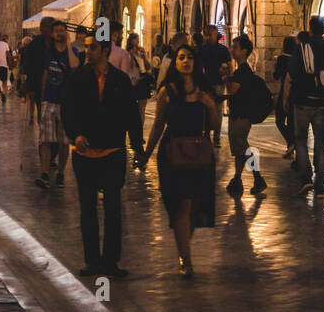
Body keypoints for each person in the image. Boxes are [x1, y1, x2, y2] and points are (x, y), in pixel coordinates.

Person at [61, 33, 144, 279]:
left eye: (93, 47)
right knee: (87, 210)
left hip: (112, 152)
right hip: (85, 154)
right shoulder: (77, 78)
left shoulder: (119, 80)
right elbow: (68, 111)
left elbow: (131, 116)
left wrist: (138, 148)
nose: (88, 51)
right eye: (87, 47)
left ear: (106, 51)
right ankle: (92, 261)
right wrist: (75, 135)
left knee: (113, 209)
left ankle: (110, 262)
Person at [143, 43, 219, 277]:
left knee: (195, 206)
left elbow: (215, 128)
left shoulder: (204, 91)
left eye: (189, 57)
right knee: (183, 204)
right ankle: (186, 258)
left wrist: (211, 107)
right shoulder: (167, 91)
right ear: (175, 63)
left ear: (195, 62)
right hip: (173, 153)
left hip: (199, 154)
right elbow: (158, 125)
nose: (186, 61)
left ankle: (183, 248)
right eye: (181, 57)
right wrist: (146, 153)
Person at [283, 19, 324, 197]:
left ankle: (306, 179)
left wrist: (286, 97)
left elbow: (291, 74)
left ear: (310, 29)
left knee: (301, 141)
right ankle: (320, 185)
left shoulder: (302, 48)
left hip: (302, 101)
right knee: (321, 143)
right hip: (323, 103)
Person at [35, 21, 78, 189]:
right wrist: (42, 97)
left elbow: (74, 65)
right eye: (57, 31)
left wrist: (68, 44)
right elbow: (45, 73)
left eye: (62, 31)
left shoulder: (71, 51)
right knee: (45, 139)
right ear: (52, 34)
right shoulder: (48, 52)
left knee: (64, 141)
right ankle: (44, 173)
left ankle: (60, 172)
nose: (59, 33)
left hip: (65, 101)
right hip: (49, 99)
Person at [224, 34, 268, 198]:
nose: (232, 50)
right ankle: (237, 178)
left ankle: (257, 178)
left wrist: (226, 76)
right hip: (239, 113)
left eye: (235, 47)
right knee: (239, 149)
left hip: (241, 115)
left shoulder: (242, 71)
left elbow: (232, 90)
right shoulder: (241, 70)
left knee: (242, 148)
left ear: (244, 51)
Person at [197, 25, 230, 147]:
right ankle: (206, 135)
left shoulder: (223, 49)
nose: (209, 37)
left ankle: (216, 137)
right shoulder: (202, 49)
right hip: (205, 84)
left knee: (218, 111)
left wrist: (225, 71)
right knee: (205, 110)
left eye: (211, 34)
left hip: (218, 83)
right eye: (207, 34)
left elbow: (228, 64)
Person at [23, 19, 54, 124]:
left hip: (55, 83)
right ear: (41, 29)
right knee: (41, 110)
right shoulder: (34, 44)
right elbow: (29, 66)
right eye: (47, 26)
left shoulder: (57, 43)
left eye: (51, 26)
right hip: (38, 83)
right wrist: (30, 87)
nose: (49, 29)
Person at [125, 32, 153, 140]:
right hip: (134, 81)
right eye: (136, 39)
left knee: (142, 108)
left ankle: (139, 134)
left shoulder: (141, 51)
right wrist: (132, 55)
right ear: (131, 40)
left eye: (138, 39)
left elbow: (147, 66)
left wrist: (144, 56)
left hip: (143, 79)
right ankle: (133, 132)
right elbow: (129, 67)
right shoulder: (128, 53)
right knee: (132, 108)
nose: (137, 41)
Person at [274, 36, 297, 159]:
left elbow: (276, 76)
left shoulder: (282, 59)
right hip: (295, 93)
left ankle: (291, 143)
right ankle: (291, 145)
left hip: (285, 91)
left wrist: (276, 64)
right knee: (292, 122)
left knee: (279, 120)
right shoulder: (296, 59)